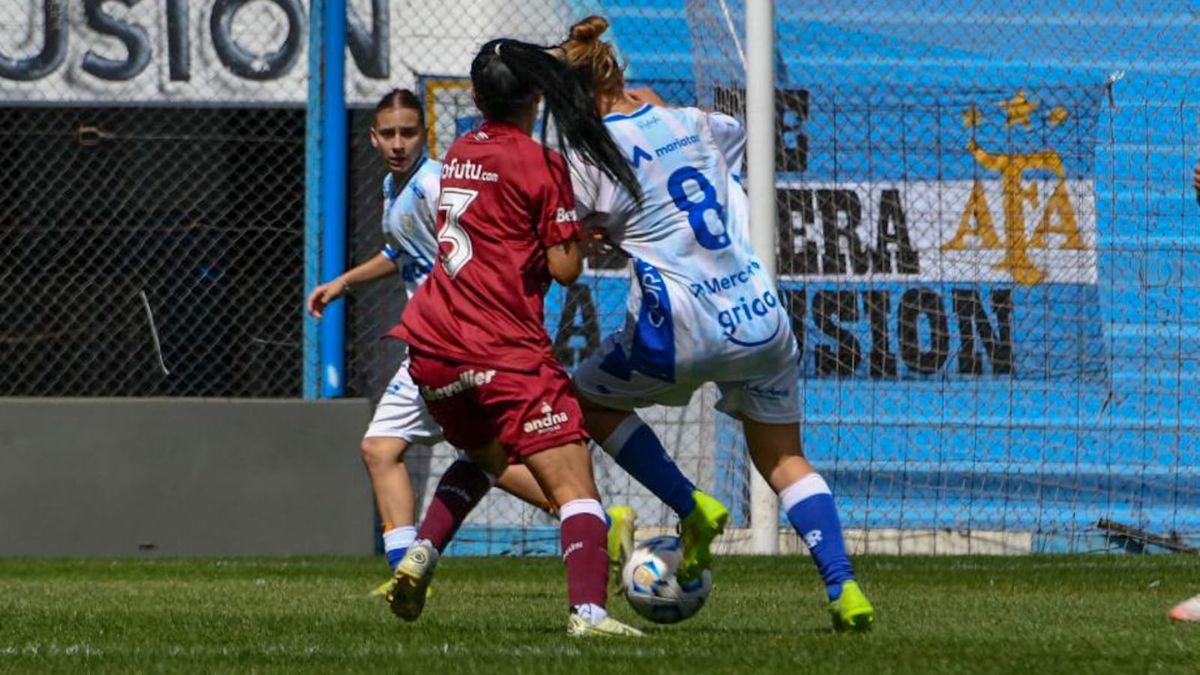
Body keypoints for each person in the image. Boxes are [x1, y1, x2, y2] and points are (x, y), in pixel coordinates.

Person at [557, 15, 875, 631]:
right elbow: (719, 149)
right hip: (759, 318)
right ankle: (844, 587)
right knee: (784, 458)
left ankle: (690, 503)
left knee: (583, 401)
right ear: (619, 73)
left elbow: (578, 235)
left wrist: (590, 230)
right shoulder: (691, 121)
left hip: (681, 327)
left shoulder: (588, 154)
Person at [386, 37, 645, 637]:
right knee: (576, 486)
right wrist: (577, 237)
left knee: (487, 457)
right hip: (500, 345)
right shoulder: (541, 163)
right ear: (536, 98)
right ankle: (589, 614)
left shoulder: (459, 151)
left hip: (432, 345)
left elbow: (497, 226)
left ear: (477, 100)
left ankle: (421, 553)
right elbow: (564, 269)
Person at [305, 89, 552, 592]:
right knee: (396, 450)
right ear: (373, 138)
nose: (399, 143)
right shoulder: (394, 186)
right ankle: (407, 573)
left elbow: (477, 245)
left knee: (463, 455)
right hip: (435, 339)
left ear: (425, 135)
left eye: (409, 133)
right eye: (389, 134)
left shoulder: (436, 184)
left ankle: (583, 514)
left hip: (450, 339)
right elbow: (401, 250)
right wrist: (344, 282)